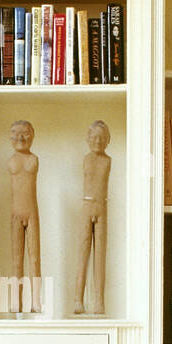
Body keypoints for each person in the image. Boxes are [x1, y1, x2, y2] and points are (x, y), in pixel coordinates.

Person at [74, 120, 111, 315]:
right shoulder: (86, 159)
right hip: (87, 206)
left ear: (107, 140)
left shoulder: (108, 160)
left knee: (100, 257)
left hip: (102, 206)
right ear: (88, 139)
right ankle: (78, 300)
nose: (98, 141)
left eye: (101, 137)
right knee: (83, 254)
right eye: (94, 137)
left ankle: (99, 301)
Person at [8, 119, 42, 313]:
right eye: (16, 133)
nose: (21, 137)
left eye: (25, 133)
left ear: (32, 135)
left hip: (31, 212)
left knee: (34, 257)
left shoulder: (33, 158)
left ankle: (36, 300)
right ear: (11, 136)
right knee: (16, 260)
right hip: (15, 213)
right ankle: (16, 301)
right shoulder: (11, 160)